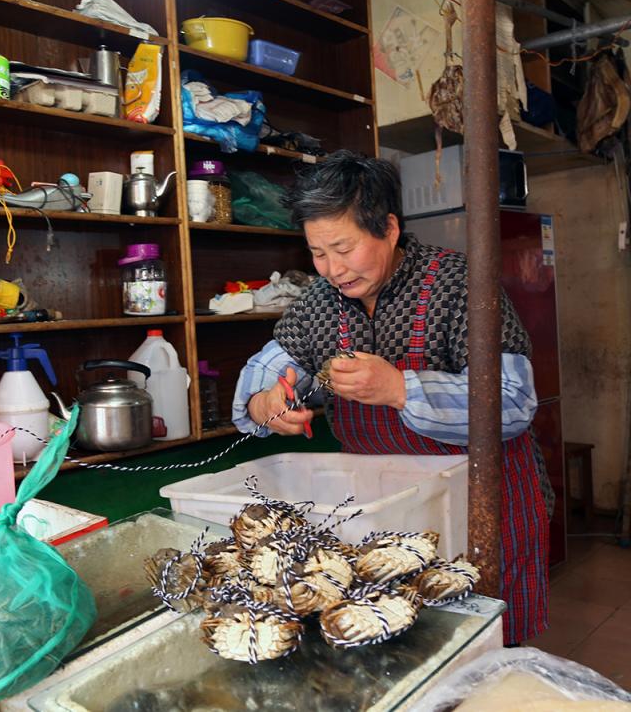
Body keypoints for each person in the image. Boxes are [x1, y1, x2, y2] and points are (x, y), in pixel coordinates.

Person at [232, 150, 551, 645]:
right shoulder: (318, 303)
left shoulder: (459, 283)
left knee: (486, 646)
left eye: (343, 247)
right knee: (402, 644)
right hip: (386, 512)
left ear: (389, 228)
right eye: (317, 253)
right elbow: (262, 376)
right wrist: (265, 405)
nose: (332, 269)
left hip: (479, 505)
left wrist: (400, 388)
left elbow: (515, 399)